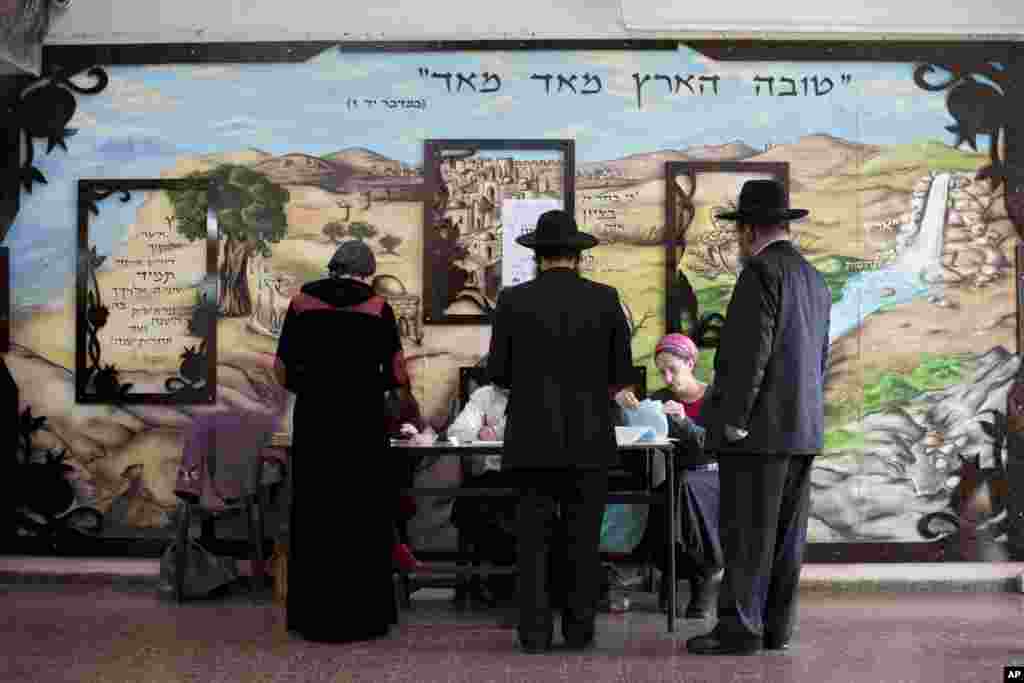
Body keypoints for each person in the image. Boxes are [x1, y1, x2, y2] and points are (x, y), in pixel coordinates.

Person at [687, 179, 831, 656]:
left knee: (748, 534)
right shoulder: (813, 277)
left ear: (748, 231)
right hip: (803, 429)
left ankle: (739, 630)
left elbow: (751, 352)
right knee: (788, 538)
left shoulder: (760, 273)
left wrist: (734, 418)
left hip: (758, 432)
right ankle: (775, 628)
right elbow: (819, 359)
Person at [487, 209, 635, 653]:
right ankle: (579, 631)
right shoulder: (606, 299)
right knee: (582, 540)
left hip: (531, 440)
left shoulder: (512, 301)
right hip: (589, 441)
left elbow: (499, 373)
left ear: (537, 257)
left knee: (532, 543)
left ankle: (533, 634)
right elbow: (621, 374)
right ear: (578, 256)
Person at [273, 240, 410, 643]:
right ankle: (363, 617)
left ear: (333, 267)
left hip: (317, 423)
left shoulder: (301, 304)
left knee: (316, 511)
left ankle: (312, 617)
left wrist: (310, 385)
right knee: (361, 513)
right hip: (362, 426)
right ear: (366, 271)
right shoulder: (378, 308)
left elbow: (280, 369)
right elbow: (398, 373)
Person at [629, 332, 723, 619]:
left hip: (710, 475)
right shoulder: (659, 398)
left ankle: (689, 574)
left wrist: (683, 421)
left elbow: (711, 446)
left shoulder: (713, 397)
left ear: (691, 363)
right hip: (676, 477)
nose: (667, 378)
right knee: (672, 489)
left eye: (673, 369)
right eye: (662, 371)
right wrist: (628, 412)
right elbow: (643, 439)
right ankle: (700, 573)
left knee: (679, 490)